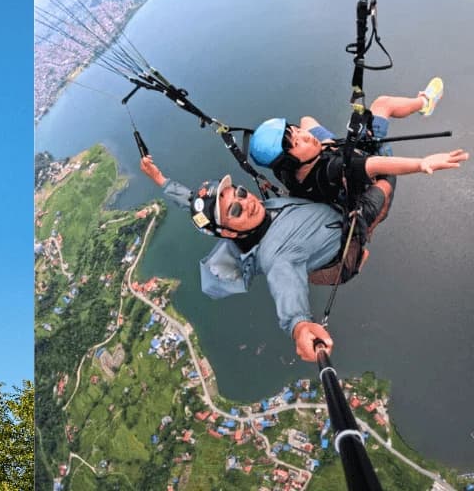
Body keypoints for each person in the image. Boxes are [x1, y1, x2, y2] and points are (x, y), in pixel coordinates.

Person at [140, 155, 393, 363]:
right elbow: (285, 288)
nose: (245, 201)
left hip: (317, 234)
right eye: (235, 210)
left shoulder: (255, 214)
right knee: (385, 180)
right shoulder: (275, 256)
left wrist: (161, 180)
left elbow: (191, 202)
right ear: (228, 232)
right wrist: (300, 327)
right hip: (342, 246)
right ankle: (360, 250)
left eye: (238, 192)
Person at [247, 78, 467, 210]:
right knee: (383, 104)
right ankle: (424, 102)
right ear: (289, 160)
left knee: (308, 119)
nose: (303, 135)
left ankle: (331, 143)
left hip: (330, 156)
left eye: (295, 130)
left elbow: (305, 123)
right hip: (364, 165)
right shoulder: (334, 169)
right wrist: (421, 163)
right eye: (297, 142)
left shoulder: (285, 171)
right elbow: (376, 165)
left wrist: (328, 143)